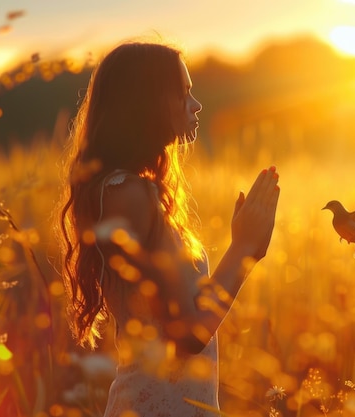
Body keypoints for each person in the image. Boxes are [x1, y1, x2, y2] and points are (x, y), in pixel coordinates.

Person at [57, 40, 280, 416]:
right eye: (185, 93)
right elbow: (188, 334)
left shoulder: (122, 189)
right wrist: (243, 250)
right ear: (148, 102)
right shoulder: (130, 193)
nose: (196, 105)